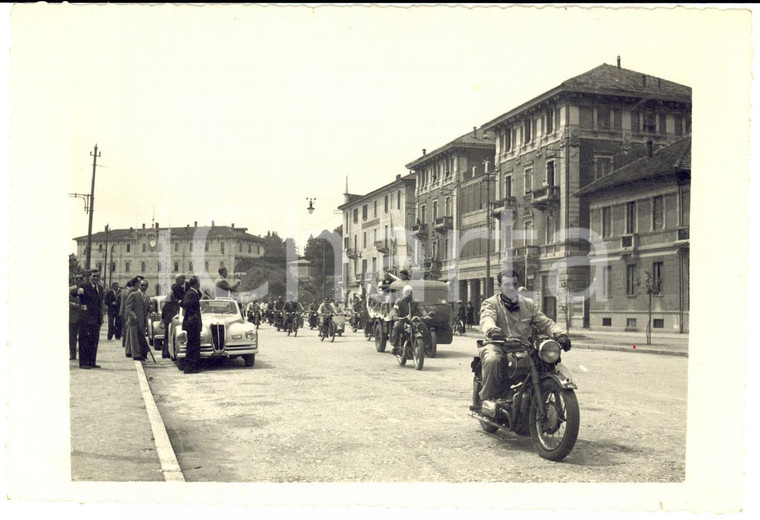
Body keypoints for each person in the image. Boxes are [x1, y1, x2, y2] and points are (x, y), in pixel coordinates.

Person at [475, 269, 571, 407]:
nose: (512, 288)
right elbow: (487, 318)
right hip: (498, 344)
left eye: (514, 284)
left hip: (523, 346)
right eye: (507, 285)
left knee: (545, 362)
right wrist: (492, 330)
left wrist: (559, 334)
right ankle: (487, 400)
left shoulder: (528, 304)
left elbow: (545, 322)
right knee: (492, 360)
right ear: (500, 286)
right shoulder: (490, 303)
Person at [389, 285, 431, 356]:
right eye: (407, 292)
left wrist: (425, 315)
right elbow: (395, 309)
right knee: (396, 326)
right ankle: (395, 347)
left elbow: (421, 309)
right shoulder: (399, 301)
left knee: (423, 326)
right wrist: (394, 316)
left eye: (410, 292)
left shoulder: (416, 301)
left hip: (413, 320)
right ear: (404, 293)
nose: (409, 294)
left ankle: (426, 346)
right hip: (402, 319)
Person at [76, 269, 105, 369]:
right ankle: (83, 363)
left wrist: (101, 317)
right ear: (90, 277)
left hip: (96, 319)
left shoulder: (100, 289)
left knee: (94, 341)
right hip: (85, 318)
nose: (96, 278)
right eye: (94, 276)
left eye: (97, 276)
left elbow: (100, 304)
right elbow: (75, 292)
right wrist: (78, 291)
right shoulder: (84, 286)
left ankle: (92, 362)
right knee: (84, 340)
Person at [180, 275, 203, 374]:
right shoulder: (191, 294)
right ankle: (190, 367)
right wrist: (192, 310)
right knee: (193, 345)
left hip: (192, 322)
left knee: (193, 344)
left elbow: (182, 303)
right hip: (193, 323)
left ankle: (192, 366)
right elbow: (185, 304)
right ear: (197, 284)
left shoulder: (192, 292)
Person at [161, 273, 186, 358]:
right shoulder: (177, 289)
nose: (183, 281)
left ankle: (165, 353)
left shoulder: (173, 290)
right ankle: (166, 353)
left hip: (168, 314)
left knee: (168, 335)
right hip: (170, 314)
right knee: (169, 335)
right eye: (182, 279)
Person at [125, 278, 151, 361]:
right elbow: (128, 308)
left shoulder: (147, 297)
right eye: (142, 285)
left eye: (145, 285)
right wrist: (133, 315)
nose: (143, 287)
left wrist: (151, 308)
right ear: (139, 285)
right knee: (134, 339)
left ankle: (140, 353)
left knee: (141, 338)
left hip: (142, 321)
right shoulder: (133, 294)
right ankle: (136, 355)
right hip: (134, 321)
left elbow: (147, 309)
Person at [69, 273, 84, 361]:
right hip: (73, 316)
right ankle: (73, 354)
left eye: (80, 278)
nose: (79, 280)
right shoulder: (70, 289)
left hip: (83, 317)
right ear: (74, 279)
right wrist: (76, 305)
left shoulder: (86, 289)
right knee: (72, 337)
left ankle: (82, 355)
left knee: (83, 337)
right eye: (77, 278)